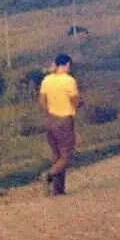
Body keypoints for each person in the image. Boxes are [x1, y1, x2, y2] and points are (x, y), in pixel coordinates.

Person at [39, 53, 80, 195]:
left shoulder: (46, 80)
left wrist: (49, 112)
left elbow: (42, 101)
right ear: (67, 64)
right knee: (66, 156)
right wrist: (79, 104)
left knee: (56, 155)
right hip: (64, 120)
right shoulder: (69, 81)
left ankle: (58, 189)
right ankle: (49, 175)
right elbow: (75, 101)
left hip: (50, 120)